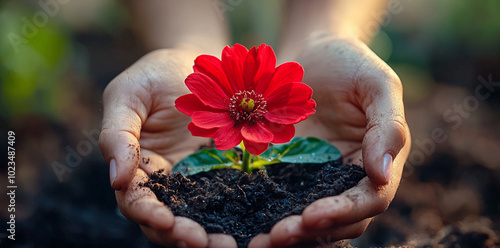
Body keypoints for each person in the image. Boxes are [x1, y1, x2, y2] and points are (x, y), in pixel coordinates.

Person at [98, 0, 411, 247]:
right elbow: (202, 116)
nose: (247, 103)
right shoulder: (225, 117)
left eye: (250, 102)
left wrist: (326, 35)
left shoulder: (265, 117)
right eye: (244, 102)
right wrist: (187, 45)